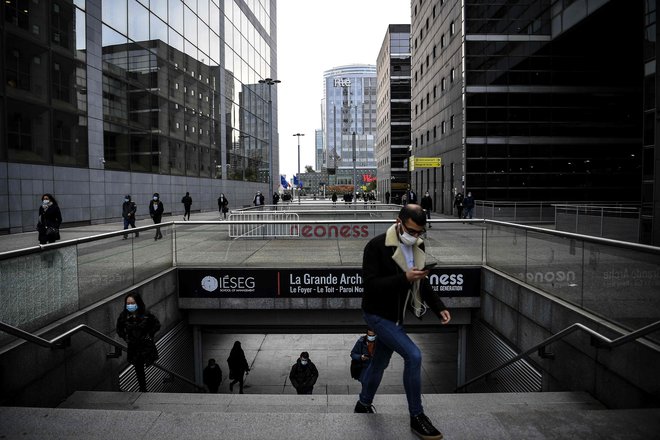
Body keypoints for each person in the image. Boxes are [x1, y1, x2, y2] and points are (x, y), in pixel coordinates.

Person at [355, 204, 451, 440]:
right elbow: (371, 285)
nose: (415, 236)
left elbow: (421, 281)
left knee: (379, 364)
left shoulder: (417, 245)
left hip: (396, 316)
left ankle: (363, 404)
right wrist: (404, 278)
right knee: (414, 355)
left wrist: (439, 308)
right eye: (411, 230)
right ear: (399, 222)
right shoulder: (376, 246)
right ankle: (417, 416)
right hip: (377, 315)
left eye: (420, 232)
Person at [116, 292, 160, 392]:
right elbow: (119, 329)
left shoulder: (146, 314)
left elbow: (157, 325)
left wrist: (150, 335)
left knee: (144, 363)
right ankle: (143, 388)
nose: (130, 305)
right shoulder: (123, 316)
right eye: (128, 303)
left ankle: (143, 388)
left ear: (138, 303)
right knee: (138, 366)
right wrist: (126, 337)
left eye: (132, 303)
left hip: (145, 345)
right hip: (133, 346)